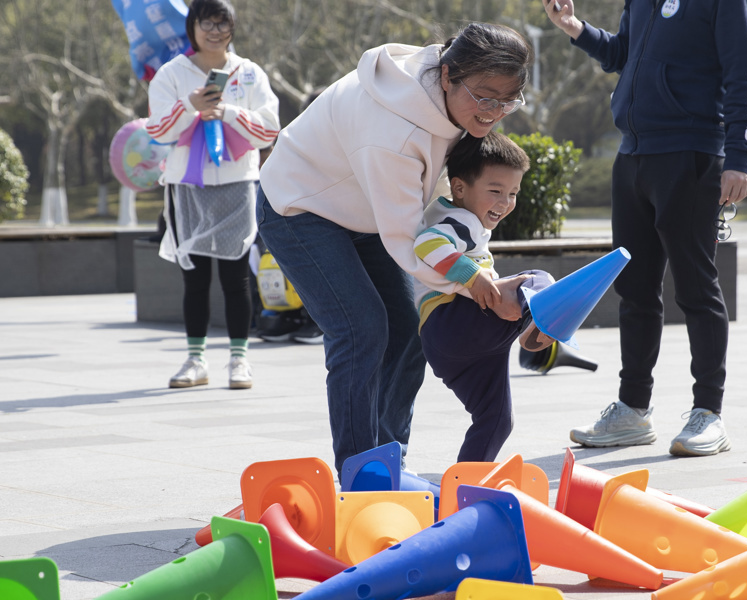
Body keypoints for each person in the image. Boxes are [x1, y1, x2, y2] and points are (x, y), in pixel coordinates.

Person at [256, 22, 533, 477]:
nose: (495, 111)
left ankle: (390, 459)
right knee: (361, 328)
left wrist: (485, 276)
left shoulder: (451, 96)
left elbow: (446, 205)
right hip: (300, 205)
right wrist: (473, 281)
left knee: (406, 325)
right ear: (447, 75)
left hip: (367, 206)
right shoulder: (394, 132)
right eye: (485, 96)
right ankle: (360, 474)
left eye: (508, 100)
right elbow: (408, 241)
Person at [542, 0, 747, 456]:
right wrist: (575, 28)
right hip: (632, 156)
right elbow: (625, 55)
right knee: (634, 292)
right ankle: (632, 411)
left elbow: (746, 71)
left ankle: (708, 414)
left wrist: (740, 157)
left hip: (691, 154)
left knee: (696, 290)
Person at [146, 0, 280, 390]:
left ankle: (239, 360)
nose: (215, 31)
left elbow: (270, 130)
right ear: (192, 28)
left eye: (222, 23)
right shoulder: (173, 74)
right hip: (187, 187)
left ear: (232, 28)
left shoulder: (249, 73)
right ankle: (195, 359)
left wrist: (227, 112)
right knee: (195, 277)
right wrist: (191, 105)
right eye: (206, 23)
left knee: (236, 277)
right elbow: (158, 131)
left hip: (238, 184)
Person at [415, 131, 555, 463]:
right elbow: (426, 245)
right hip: (453, 321)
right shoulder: (458, 220)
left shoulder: (465, 220)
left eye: (513, 193)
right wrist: (472, 276)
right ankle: (538, 321)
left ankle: (467, 484)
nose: (505, 203)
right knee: (537, 279)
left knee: (496, 420)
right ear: (460, 188)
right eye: (495, 191)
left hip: (451, 347)